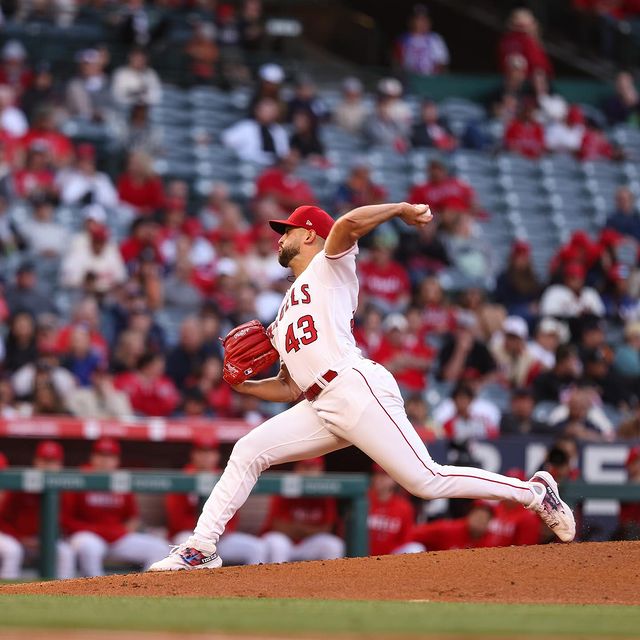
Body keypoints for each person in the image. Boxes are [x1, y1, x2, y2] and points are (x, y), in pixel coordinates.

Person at [149, 200, 575, 571]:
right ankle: (201, 548)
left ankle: (535, 492)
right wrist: (247, 388)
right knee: (247, 450)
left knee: (426, 481)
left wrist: (400, 210)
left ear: (311, 236)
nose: (280, 237)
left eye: (288, 230)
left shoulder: (327, 267)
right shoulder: (281, 315)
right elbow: (288, 387)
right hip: (318, 403)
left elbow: (348, 224)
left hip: (354, 387)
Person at [62, 438, 168, 576]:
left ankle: (142, 589)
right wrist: (100, 531)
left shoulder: (120, 480)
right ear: (92, 457)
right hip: (89, 537)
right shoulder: (80, 477)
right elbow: (66, 520)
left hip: (117, 538)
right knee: (88, 547)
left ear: (116, 460)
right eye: (101, 455)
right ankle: (96, 592)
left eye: (110, 456)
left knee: (159, 548)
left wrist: (122, 531)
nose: (105, 460)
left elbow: (132, 517)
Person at [167, 435, 267, 565]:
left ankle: (256, 585)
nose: (206, 457)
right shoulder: (184, 478)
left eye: (210, 452)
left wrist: (218, 531)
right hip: (189, 535)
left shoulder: (225, 478)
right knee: (185, 545)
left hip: (220, 538)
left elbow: (233, 513)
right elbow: (176, 521)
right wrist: (205, 532)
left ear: (217, 456)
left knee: (256, 548)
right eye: (201, 452)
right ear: (193, 455)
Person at [0, 440, 75, 579]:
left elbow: (66, 521)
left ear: (60, 464)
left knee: (65, 553)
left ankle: (66, 595)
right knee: (12, 551)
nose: (47, 466)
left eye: (52, 462)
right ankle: (6, 594)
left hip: (46, 541)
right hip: (18, 540)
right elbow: (3, 519)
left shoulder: (65, 491)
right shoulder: (20, 486)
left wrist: (50, 538)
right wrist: (20, 538)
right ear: (35, 461)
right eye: (44, 461)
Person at [260, 457, 345, 563]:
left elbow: (327, 528)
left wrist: (297, 528)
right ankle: (278, 579)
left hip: (308, 544)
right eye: (305, 467)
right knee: (277, 543)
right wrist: (310, 530)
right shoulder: (285, 487)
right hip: (285, 542)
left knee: (333, 544)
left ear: (321, 470)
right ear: (297, 469)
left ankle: (329, 579)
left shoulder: (326, 494)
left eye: (313, 468)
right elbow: (278, 526)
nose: (308, 472)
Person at [367, 463, 422, 556]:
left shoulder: (404, 507)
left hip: (391, 556)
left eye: (384, 476)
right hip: (361, 555)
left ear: (394, 480)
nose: (379, 479)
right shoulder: (362, 499)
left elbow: (406, 539)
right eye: (377, 474)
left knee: (415, 548)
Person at [406, 501, 498, 551]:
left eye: (485, 518)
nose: (480, 520)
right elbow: (415, 533)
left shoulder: (490, 540)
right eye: (477, 515)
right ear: (469, 515)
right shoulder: (449, 529)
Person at [395, 4, 449, 76]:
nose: (420, 23)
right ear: (411, 21)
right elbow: (396, 62)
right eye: (417, 19)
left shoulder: (434, 39)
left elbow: (441, 63)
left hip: (429, 79)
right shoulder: (403, 39)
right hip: (409, 78)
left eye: (423, 19)